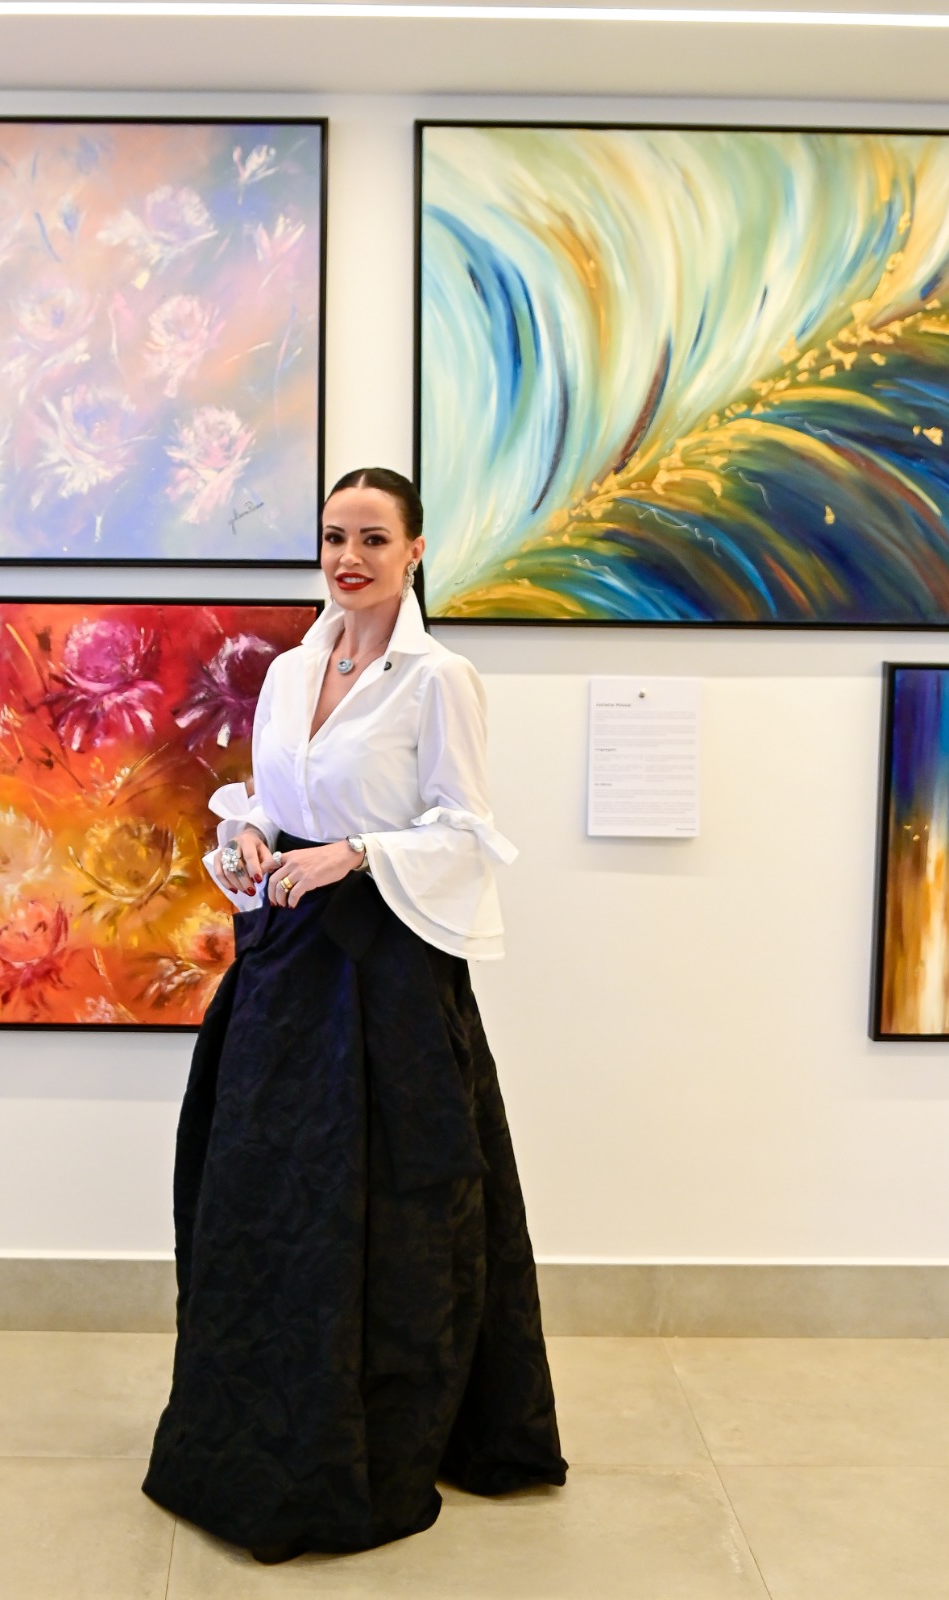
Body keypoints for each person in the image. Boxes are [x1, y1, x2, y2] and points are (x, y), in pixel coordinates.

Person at [143, 467, 566, 1561]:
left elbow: (467, 830)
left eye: (374, 538)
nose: (349, 557)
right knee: (256, 1191)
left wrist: (357, 854)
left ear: (415, 550)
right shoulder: (290, 670)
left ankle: (374, 1435)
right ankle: (250, 1426)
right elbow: (268, 798)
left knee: (386, 1207)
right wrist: (248, 834)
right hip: (284, 969)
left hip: (387, 979)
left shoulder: (439, 679)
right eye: (335, 536)